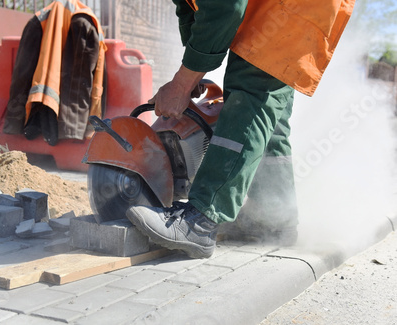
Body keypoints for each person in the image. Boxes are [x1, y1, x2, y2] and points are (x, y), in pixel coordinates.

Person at [126, 0, 356, 259]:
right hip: (296, 10)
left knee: (250, 94)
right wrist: (193, 72)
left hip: (288, 10)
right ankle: (271, 219)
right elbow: (194, 8)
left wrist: (181, 84)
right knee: (271, 117)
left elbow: (226, 7)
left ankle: (202, 219)